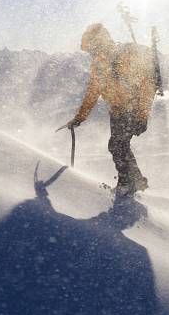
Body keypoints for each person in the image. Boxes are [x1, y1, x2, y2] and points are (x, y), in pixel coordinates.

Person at [65, 23, 157, 197]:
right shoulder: (99, 63)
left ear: (97, 42)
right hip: (117, 112)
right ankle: (135, 180)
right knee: (120, 145)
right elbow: (92, 93)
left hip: (130, 110)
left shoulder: (124, 55)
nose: (91, 53)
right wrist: (79, 118)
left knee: (116, 145)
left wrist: (142, 115)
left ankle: (126, 183)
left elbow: (147, 84)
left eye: (92, 47)